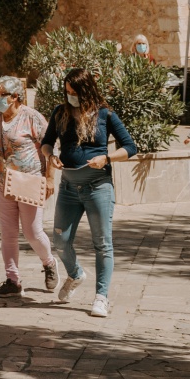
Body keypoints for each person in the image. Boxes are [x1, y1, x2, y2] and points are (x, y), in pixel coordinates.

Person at [43, 67, 137, 318]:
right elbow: (47, 142)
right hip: (68, 188)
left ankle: (101, 296)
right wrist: (50, 156)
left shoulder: (105, 114)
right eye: (67, 92)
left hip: (98, 187)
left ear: (86, 91)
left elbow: (130, 147)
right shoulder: (60, 112)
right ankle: (75, 275)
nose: (69, 96)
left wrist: (106, 158)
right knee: (60, 242)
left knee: (103, 243)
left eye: (74, 92)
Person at [0, 74, 58, 300]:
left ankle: (49, 262)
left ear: (16, 96)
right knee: (8, 233)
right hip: (0, 182)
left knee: (33, 232)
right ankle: (13, 280)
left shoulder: (33, 118)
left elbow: (51, 148)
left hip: (28, 182)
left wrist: (50, 178)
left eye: (1, 95)